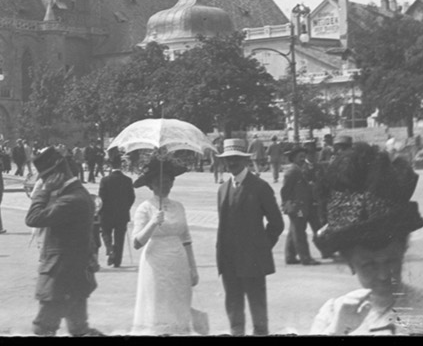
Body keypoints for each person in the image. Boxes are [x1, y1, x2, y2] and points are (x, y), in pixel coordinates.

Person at [307, 143, 423, 335]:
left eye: (391, 261)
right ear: (350, 264)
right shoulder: (333, 314)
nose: (383, 275)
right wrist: (336, 330)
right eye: (369, 265)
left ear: (403, 250)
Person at [24, 147, 101, 336]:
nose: (43, 181)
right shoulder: (76, 193)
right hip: (73, 275)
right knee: (79, 330)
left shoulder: (72, 199)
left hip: (61, 277)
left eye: (45, 177)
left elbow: (33, 218)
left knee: (43, 329)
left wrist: (44, 191)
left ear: (56, 174)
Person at [215, 137, 284, 336]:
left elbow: (277, 224)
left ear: (245, 160)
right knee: (234, 306)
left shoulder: (260, 187)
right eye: (228, 159)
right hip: (228, 260)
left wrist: (261, 246)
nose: (232, 162)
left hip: (253, 259)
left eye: (236, 158)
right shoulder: (222, 190)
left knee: (257, 308)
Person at [128, 158, 199, 334]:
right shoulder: (145, 208)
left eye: (168, 182)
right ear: (151, 185)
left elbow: (186, 238)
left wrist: (193, 267)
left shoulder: (178, 207)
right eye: (159, 183)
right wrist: (152, 223)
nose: (164, 186)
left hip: (178, 262)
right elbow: (136, 242)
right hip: (156, 263)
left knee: (178, 304)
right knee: (158, 306)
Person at [279, 146, 317, 265]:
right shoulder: (292, 171)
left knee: (294, 231)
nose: (303, 159)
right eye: (300, 157)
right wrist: (287, 204)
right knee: (300, 232)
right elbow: (285, 190)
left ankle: (290, 256)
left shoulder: (299, 169)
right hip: (296, 207)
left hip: (301, 205)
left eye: (304, 156)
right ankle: (305, 258)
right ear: (294, 158)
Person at [96, 160, 136, 268]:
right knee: (120, 238)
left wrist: (99, 211)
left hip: (107, 213)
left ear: (110, 166)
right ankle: (117, 261)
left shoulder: (105, 180)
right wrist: (126, 207)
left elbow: (101, 197)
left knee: (105, 233)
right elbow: (132, 197)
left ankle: (110, 249)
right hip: (122, 214)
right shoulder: (128, 180)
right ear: (121, 166)